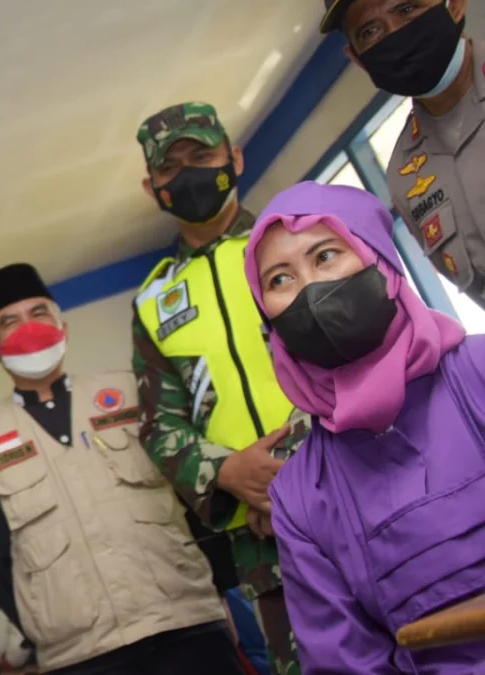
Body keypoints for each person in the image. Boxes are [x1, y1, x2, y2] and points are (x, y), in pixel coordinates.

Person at [244, 180, 485, 673]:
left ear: (382, 262)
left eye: (326, 256)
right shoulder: (300, 495)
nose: (310, 290)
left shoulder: (479, 372)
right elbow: (345, 662)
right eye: (280, 280)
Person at [0, 262, 244, 675]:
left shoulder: (131, 393)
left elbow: (192, 494)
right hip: (80, 657)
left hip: (186, 626)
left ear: (63, 327)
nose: (28, 328)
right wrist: (38, 630)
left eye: (39, 313)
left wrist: (224, 592)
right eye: (9, 321)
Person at [130, 102, 309, 675]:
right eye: (170, 167)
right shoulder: (154, 302)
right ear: (152, 187)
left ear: (232, 158)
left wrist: (293, 475)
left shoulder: (293, 241)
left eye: (201, 156)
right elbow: (161, 427)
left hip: (364, 491)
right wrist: (231, 475)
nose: (187, 175)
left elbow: (359, 350)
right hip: (263, 541)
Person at [322, 0, 485, 308]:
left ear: (456, 5)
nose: (394, 32)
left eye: (408, 8)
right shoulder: (406, 176)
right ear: (358, 60)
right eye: (369, 31)